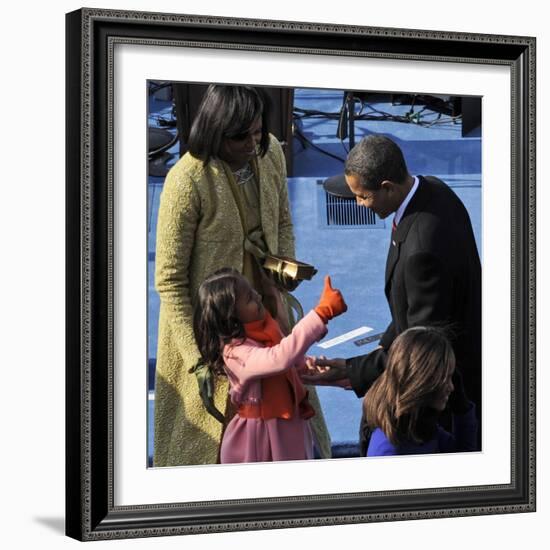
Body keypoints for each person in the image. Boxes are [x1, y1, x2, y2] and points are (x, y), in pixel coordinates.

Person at [153, 84, 331, 467]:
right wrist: (199, 359)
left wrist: (282, 273)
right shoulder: (186, 181)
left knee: (284, 411)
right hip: (211, 330)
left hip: (264, 311)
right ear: (216, 132)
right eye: (241, 137)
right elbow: (169, 279)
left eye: (257, 131)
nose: (253, 143)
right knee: (211, 445)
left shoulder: (269, 154)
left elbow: (282, 220)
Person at [303, 134, 481, 453]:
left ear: (387, 187)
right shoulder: (434, 190)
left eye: (362, 197)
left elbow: (420, 347)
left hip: (443, 402)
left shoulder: (421, 252)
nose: (358, 204)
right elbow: (408, 316)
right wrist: (355, 365)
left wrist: (351, 372)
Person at [193, 269, 347, 463]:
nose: (257, 296)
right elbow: (279, 358)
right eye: (249, 298)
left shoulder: (264, 330)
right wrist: (321, 313)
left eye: (253, 291)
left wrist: (313, 367)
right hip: (260, 440)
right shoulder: (235, 354)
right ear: (231, 317)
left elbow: (288, 362)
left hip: (289, 427)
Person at [364, 326, 477, 456]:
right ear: (422, 381)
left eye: (452, 377)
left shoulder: (419, 427)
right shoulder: (388, 451)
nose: (452, 387)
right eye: (444, 379)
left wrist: (462, 408)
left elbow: (464, 458)